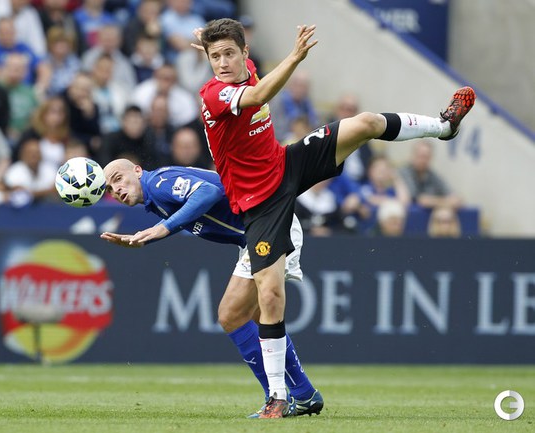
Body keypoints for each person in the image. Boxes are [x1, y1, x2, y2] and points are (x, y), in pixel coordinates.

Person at [195, 18, 475, 418]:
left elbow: (243, 71)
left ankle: (444, 127)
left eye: (228, 54)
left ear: (245, 53)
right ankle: (279, 398)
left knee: (366, 123)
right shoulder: (215, 93)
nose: (222, 63)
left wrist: (205, 40)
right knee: (268, 297)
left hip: (286, 164)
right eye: (215, 57)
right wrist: (294, 57)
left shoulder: (244, 69)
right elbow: (257, 94)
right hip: (260, 203)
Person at [100, 158, 323, 418]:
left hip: (270, 227)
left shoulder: (159, 182)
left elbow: (208, 192)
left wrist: (162, 228)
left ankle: (276, 400)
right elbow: (189, 211)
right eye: (110, 189)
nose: (117, 189)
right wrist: (147, 237)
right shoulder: (156, 195)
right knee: (254, 318)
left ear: (138, 171)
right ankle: (304, 394)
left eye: (118, 179)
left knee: (231, 315)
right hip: (261, 230)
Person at [399, 139, 463, 210]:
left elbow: (455, 198)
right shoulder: (404, 172)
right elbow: (417, 198)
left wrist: (433, 201)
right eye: (421, 156)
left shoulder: (433, 176)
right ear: (413, 155)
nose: (423, 160)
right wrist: (444, 202)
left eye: (426, 157)